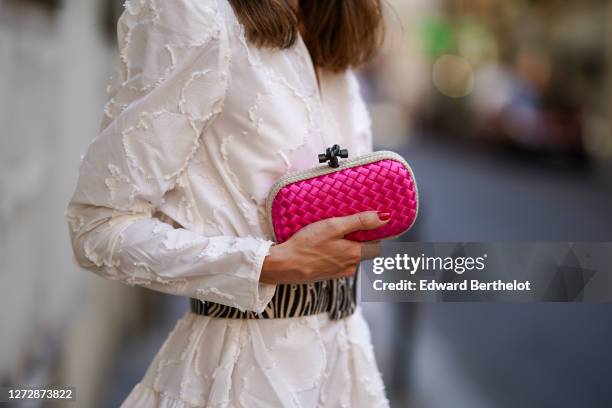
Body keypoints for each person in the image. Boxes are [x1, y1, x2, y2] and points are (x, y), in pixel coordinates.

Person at [66, 0, 390, 406]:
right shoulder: (195, 13)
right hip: (244, 378)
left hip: (346, 368)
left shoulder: (331, 22)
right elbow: (97, 229)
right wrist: (266, 264)